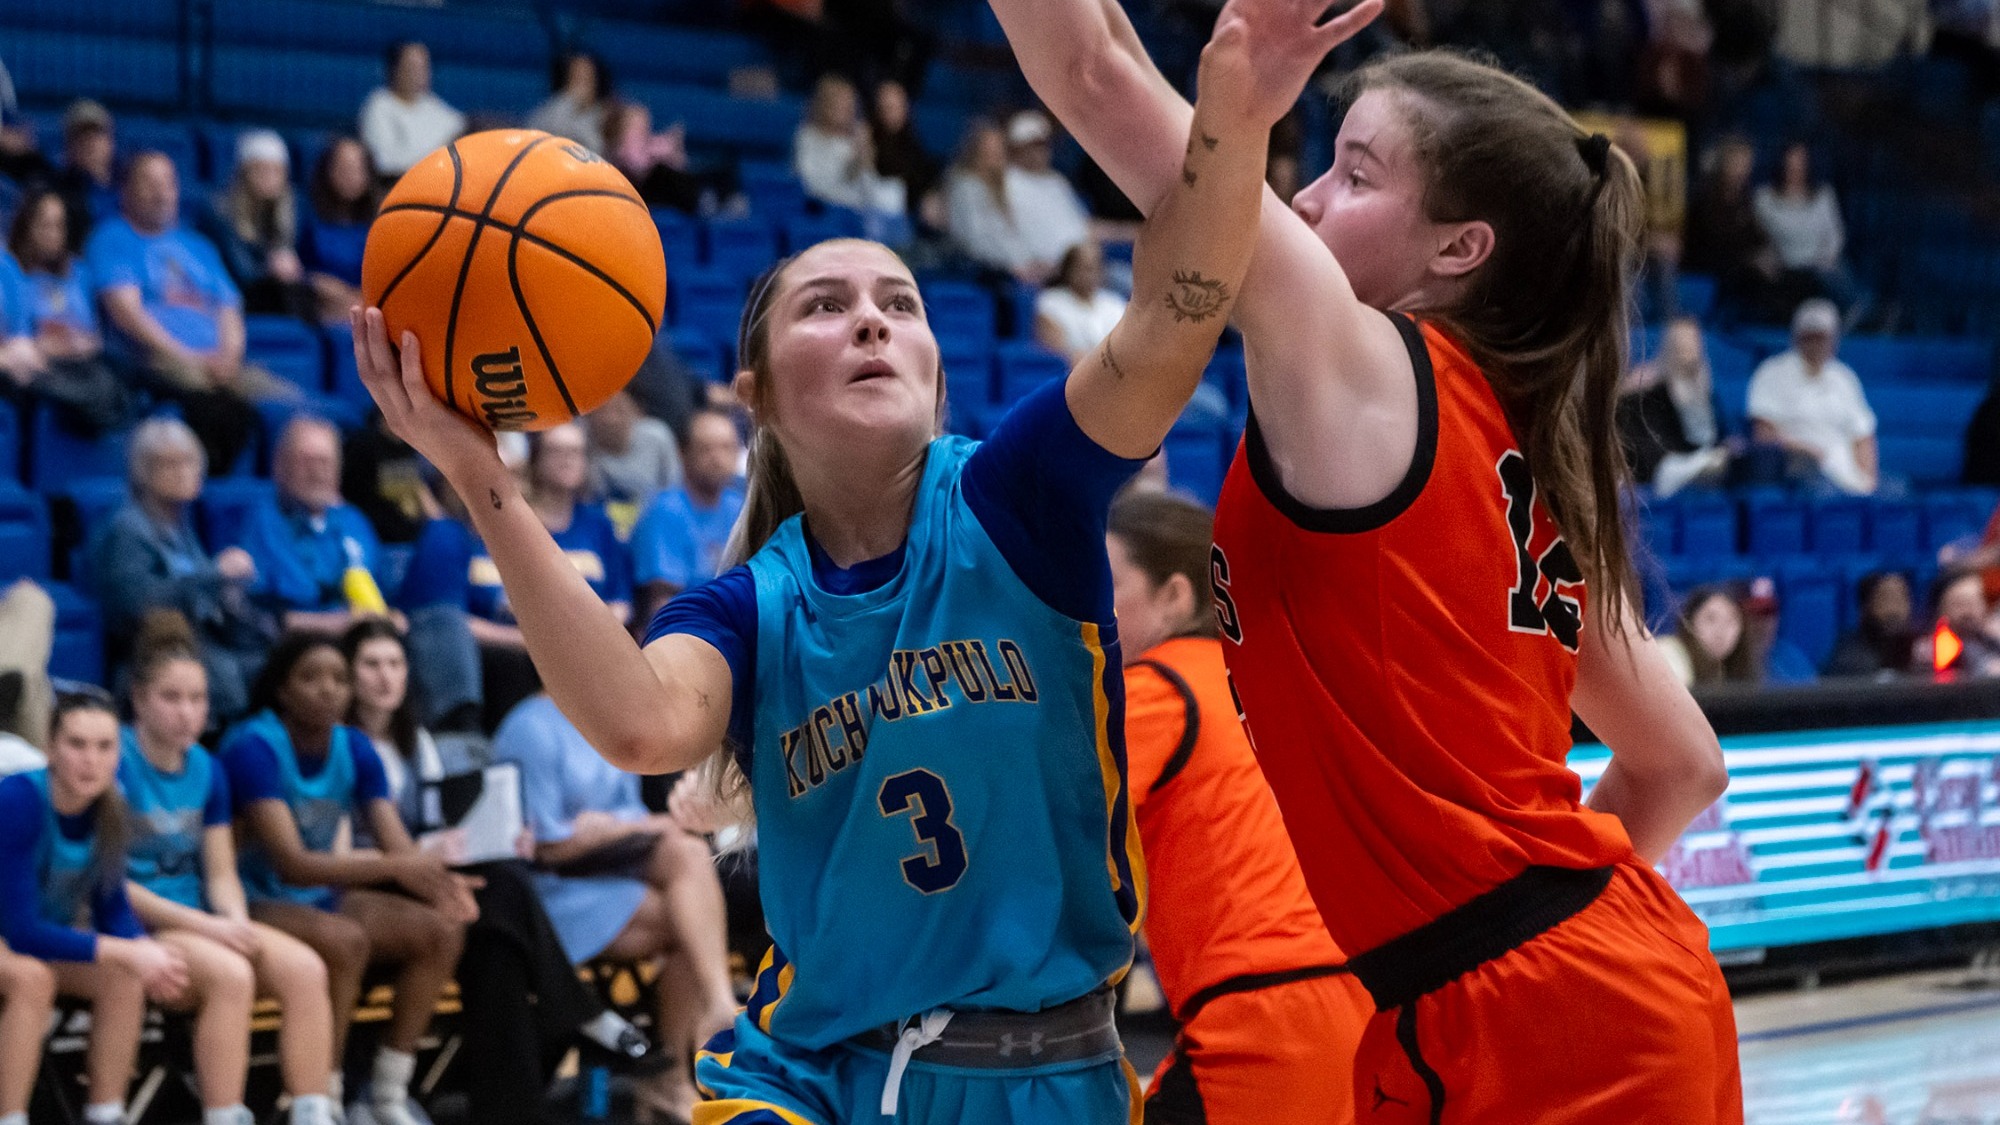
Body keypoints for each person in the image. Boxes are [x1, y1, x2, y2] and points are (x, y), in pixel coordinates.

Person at [349, 4, 1295, 1118]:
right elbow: (643, 726)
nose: (870, 323)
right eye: (826, 304)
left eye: (899, 303)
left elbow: (1173, 318)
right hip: (809, 1077)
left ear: (937, 375)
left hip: (1051, 1076)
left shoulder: (1016, 497)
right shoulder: (751, 605)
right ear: (752, 397)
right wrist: (481, 481)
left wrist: (1235, 114)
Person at [993, 0, 1742, 1118]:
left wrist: (1491, 922)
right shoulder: (1519, 450)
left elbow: (1097, 76)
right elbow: (1682, 762)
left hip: (1541, 1020)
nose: (1304, 196)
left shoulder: (1369, 372)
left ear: (1457, 248)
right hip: (1532, 992)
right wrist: (1502, 914)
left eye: (1352, 174)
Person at [1105, 490, 1370, 1124]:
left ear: (1175, 595)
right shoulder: (1281, 675)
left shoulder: (1155, 687)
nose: (1087, 603)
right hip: (1363, 996)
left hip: (1265, 1009)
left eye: (1105, 582)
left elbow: (1048, 838)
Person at [341, 620, 644, 1125]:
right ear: (350, 674)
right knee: (500, 887)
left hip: (426, 879)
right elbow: (362, 846)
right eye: (371, 665)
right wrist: (434, 856)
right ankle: (579, 1010)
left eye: (394, 664)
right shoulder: (342, 747)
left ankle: (511, 1113)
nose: (385, 677)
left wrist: (497, 838)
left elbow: (435, 827)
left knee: (495, 945)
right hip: (369, 881)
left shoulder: (418, 742)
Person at [219, 631, 475, 1125]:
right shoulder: (253, 746)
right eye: (311, 678)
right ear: (282, 689)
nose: (329, 689)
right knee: (345, 940)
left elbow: (398, 847)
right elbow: (291, 863)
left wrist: (443, 888)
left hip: (317, 894)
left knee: (443, 930)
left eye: (338, 678)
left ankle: (388, 1094)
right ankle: (326, 1096)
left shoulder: (354, 745)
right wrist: (398, 867)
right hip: (249, 896)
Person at [117, 616, 338, 1125]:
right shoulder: (115, 761)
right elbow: (110, 886)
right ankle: (224, 1114)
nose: (187, 713)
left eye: (197, 699)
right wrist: (213, 929)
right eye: (171, 698)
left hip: (198, 919)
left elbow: (219, 872)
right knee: (232, 974)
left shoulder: (208, 768)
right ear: (139, 700)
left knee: (306, 969)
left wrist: (234, 920)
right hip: (136, 921)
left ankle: (314, 1111)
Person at [493, 693, 736, 1123]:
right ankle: (685, 1059)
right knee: (690, 922)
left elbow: (624, 818)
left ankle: (681, 1059)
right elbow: (547, 846)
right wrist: (630, 827)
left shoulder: (606, 713)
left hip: (616, 866)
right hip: (551, 891)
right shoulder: (529, 728)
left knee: (690, 860)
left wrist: (616, 828)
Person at [0, 692, 192, 1125]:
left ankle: (106, 1113)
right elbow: (21, 932)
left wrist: (146, 953)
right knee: (31, 979)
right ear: (50, 747)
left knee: (124, 977)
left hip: (31, 934)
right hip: (12, 933)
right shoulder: (17, 801)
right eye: (77, 744)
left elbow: (113, 907)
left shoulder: (112, 806)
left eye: (104, 747)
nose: (91, 760)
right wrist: (129, 950)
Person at [401, 422, 631, 728]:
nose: (509, 486)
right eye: (496, 476)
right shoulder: (447, 534)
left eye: (518, 477)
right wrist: (531, 639)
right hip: (490, 664)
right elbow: (445, 626)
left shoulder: (532, 536)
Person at [86, 151, 290, 474]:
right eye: (149, 183)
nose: (160, 192)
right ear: (126, 191)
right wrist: (188, 357)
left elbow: (228, 308)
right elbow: (127, 315)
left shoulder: (198, 246)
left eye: (168, 183)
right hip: (155, 360)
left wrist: (229, 355)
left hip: (219, 362)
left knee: (293, 407)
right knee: (216, 406)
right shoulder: (112, 239)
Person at [90, 417, 273, 724]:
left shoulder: (181, 526)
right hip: (151, 651)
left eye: (191, 462)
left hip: (201, 643)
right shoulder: (128, 529)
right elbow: (137, 603)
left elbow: (198, 591)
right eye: (170, 465)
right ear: (143, 472)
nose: (185, 472)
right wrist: (215, 575)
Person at [235, 415, 398, 634]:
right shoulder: (262, 521)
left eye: (325, 462)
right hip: (294, 646)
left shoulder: (353, 520)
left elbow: (379, 592)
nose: (317, 471)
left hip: (364, 641)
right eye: (306, 461)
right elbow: (259, 615)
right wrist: (336, 624)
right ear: (279, 465)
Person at [4, 188, 133, 434]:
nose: (52, 235)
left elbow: (94, 335)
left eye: (58, 226)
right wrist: (47, 347)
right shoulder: (12, 274)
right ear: (26, 226)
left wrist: (80, 345)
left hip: (82, 363)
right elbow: (16, 339)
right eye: (44, 225)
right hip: (38, 365)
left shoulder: (80, 273)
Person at [1748, 297, 1878, 495]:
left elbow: (1863, 436)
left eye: (1822, 337)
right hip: (1799, 473)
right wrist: (1806, 451)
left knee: (1897, 495)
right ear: (1797, 337)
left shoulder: (1845, 378)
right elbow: (1764, 435)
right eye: (1811, 337)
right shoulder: (1772, 372)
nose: (1817, 344)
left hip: (1844, 474)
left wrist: (1869, 480)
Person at [629, 406, 746, 622]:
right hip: (687, 630)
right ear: (683, 453)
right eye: (706, 449)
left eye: (726, 448)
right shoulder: (665, 510)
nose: (717, 458)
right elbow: (662, 603)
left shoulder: (740, 507)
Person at [201, 130, 311, 318]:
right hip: (233, 297)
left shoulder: (289, 213)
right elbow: (240, 273)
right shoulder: (221, 213)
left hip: (273, 295)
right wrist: (272, 268)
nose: (269, 177)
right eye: (261, 170)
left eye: (276, 171)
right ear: (244, 173)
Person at [1617, 315, 1732, 494]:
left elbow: (1716, 433)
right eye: (1682, 348)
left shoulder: (1704, 387)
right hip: (1664, 466)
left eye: (1693, 345)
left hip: (1702, 457)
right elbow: (1649, 449)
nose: (1689, 353)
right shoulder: (1647, 392)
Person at [1753, 140, 1864, 318]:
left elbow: (1835, 233)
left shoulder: (1823, 195)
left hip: (1820, 263)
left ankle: (1862, 312)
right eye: (1791, 163)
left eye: (1800, 162)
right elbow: (1759, 235)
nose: (1795, 168)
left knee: (1838, 273)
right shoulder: (1764, 199)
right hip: (1785, 263)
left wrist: (1828, 256)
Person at [794, 74, 906, 218]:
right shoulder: (807, 138)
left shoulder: (852, 143)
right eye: (841, 105)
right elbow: (810, 186)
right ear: (825, 105)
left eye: (850, 105)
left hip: (856, 216)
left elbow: (867, 190)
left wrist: (863, 157)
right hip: (821, 214)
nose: (848, 111)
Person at [944, 120, 1037, 281]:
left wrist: (1028, 260)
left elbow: (1011, 235)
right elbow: (974, 242)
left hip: (1015, 268)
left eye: (999, 149)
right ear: (976, 152)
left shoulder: (1001, 187)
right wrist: (1010, 266)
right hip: (981, 272)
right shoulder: (966, 187)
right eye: (990, 150)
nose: (997, 155)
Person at [1002, 110, 1092, 277]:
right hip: (1039, 273)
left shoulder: (1057, 182)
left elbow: (1083, 228)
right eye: (1033, 146)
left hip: (1079, 270)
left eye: (1043, 145)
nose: (1040, 152)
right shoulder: (1005, 183)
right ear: (1016, 148)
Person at [359, 41, 466, 179]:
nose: (420, 74)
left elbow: (461, 127)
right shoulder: (379, 105)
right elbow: (385, 162)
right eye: (412, 67)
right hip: (398, 188)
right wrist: (441, 154)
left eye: (424, 67)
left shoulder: (431, 104)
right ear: (394, 69)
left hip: (438, 183)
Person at [300, 137, 377, 324]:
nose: (352, 175)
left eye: (359, 168)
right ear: (328, 170)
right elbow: (293, 268)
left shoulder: (381, 220)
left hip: (366, 307)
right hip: (316, 307)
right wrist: (319, 284)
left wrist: (357, 299)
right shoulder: (304, 213)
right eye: (344, 168)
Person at [587, 388, 684, 512]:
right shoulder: (577, 441)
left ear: (636, 412)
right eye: (601, 410)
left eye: (619, 410)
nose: (610, 419)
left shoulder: (657, 437)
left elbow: (674, 490)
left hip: (651, 523)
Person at [1034, 241, 1127, 364]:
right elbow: (1057, 352)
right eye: (1085, 268)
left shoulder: (1114, 303)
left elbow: (1128, 346)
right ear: (1069, 270)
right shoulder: (1051, 302)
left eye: (1095, 268)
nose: (1091, 274)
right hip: (1072, 374)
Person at [869, 80, 944, 231]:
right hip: (877, 218)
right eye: (887, 107)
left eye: (897, 106)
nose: (891, 113)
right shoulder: (867, 141)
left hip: (912, 220)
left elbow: (923, 178)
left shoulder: (912, 143)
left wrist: (930, 195)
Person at [1657, 585, 1758, 686]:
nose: (1720, 631)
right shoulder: (1668, 654)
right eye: (1711, 619)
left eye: (1730, 621)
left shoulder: (1734, 670)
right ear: (1689, 623)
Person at [52, 100, 118, 251]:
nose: (90, 144)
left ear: (110, 142)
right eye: (81, 137)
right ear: (68, 146)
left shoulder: (129, 186)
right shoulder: (56, 193)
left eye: (97, 135)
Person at [1827, 570, 1917, 679]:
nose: (1895, 609)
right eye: (1886, 599)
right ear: (1865, 607)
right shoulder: (1848, 658)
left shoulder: (1919, 652)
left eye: (1902, 598)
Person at [1915, 568, 2000, 679]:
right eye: (1959, 604)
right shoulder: (1931, 647)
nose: (1968, 612)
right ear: (1943, 610)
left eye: (1974, 603)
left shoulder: (1993, 637)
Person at [529, 52, 612, 155]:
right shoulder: (552, 110)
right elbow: (537, 136)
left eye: (587, 78)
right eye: (577, 77)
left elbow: (597, 149)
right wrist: (569, 102)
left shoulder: (607, 115)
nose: (582, 85)